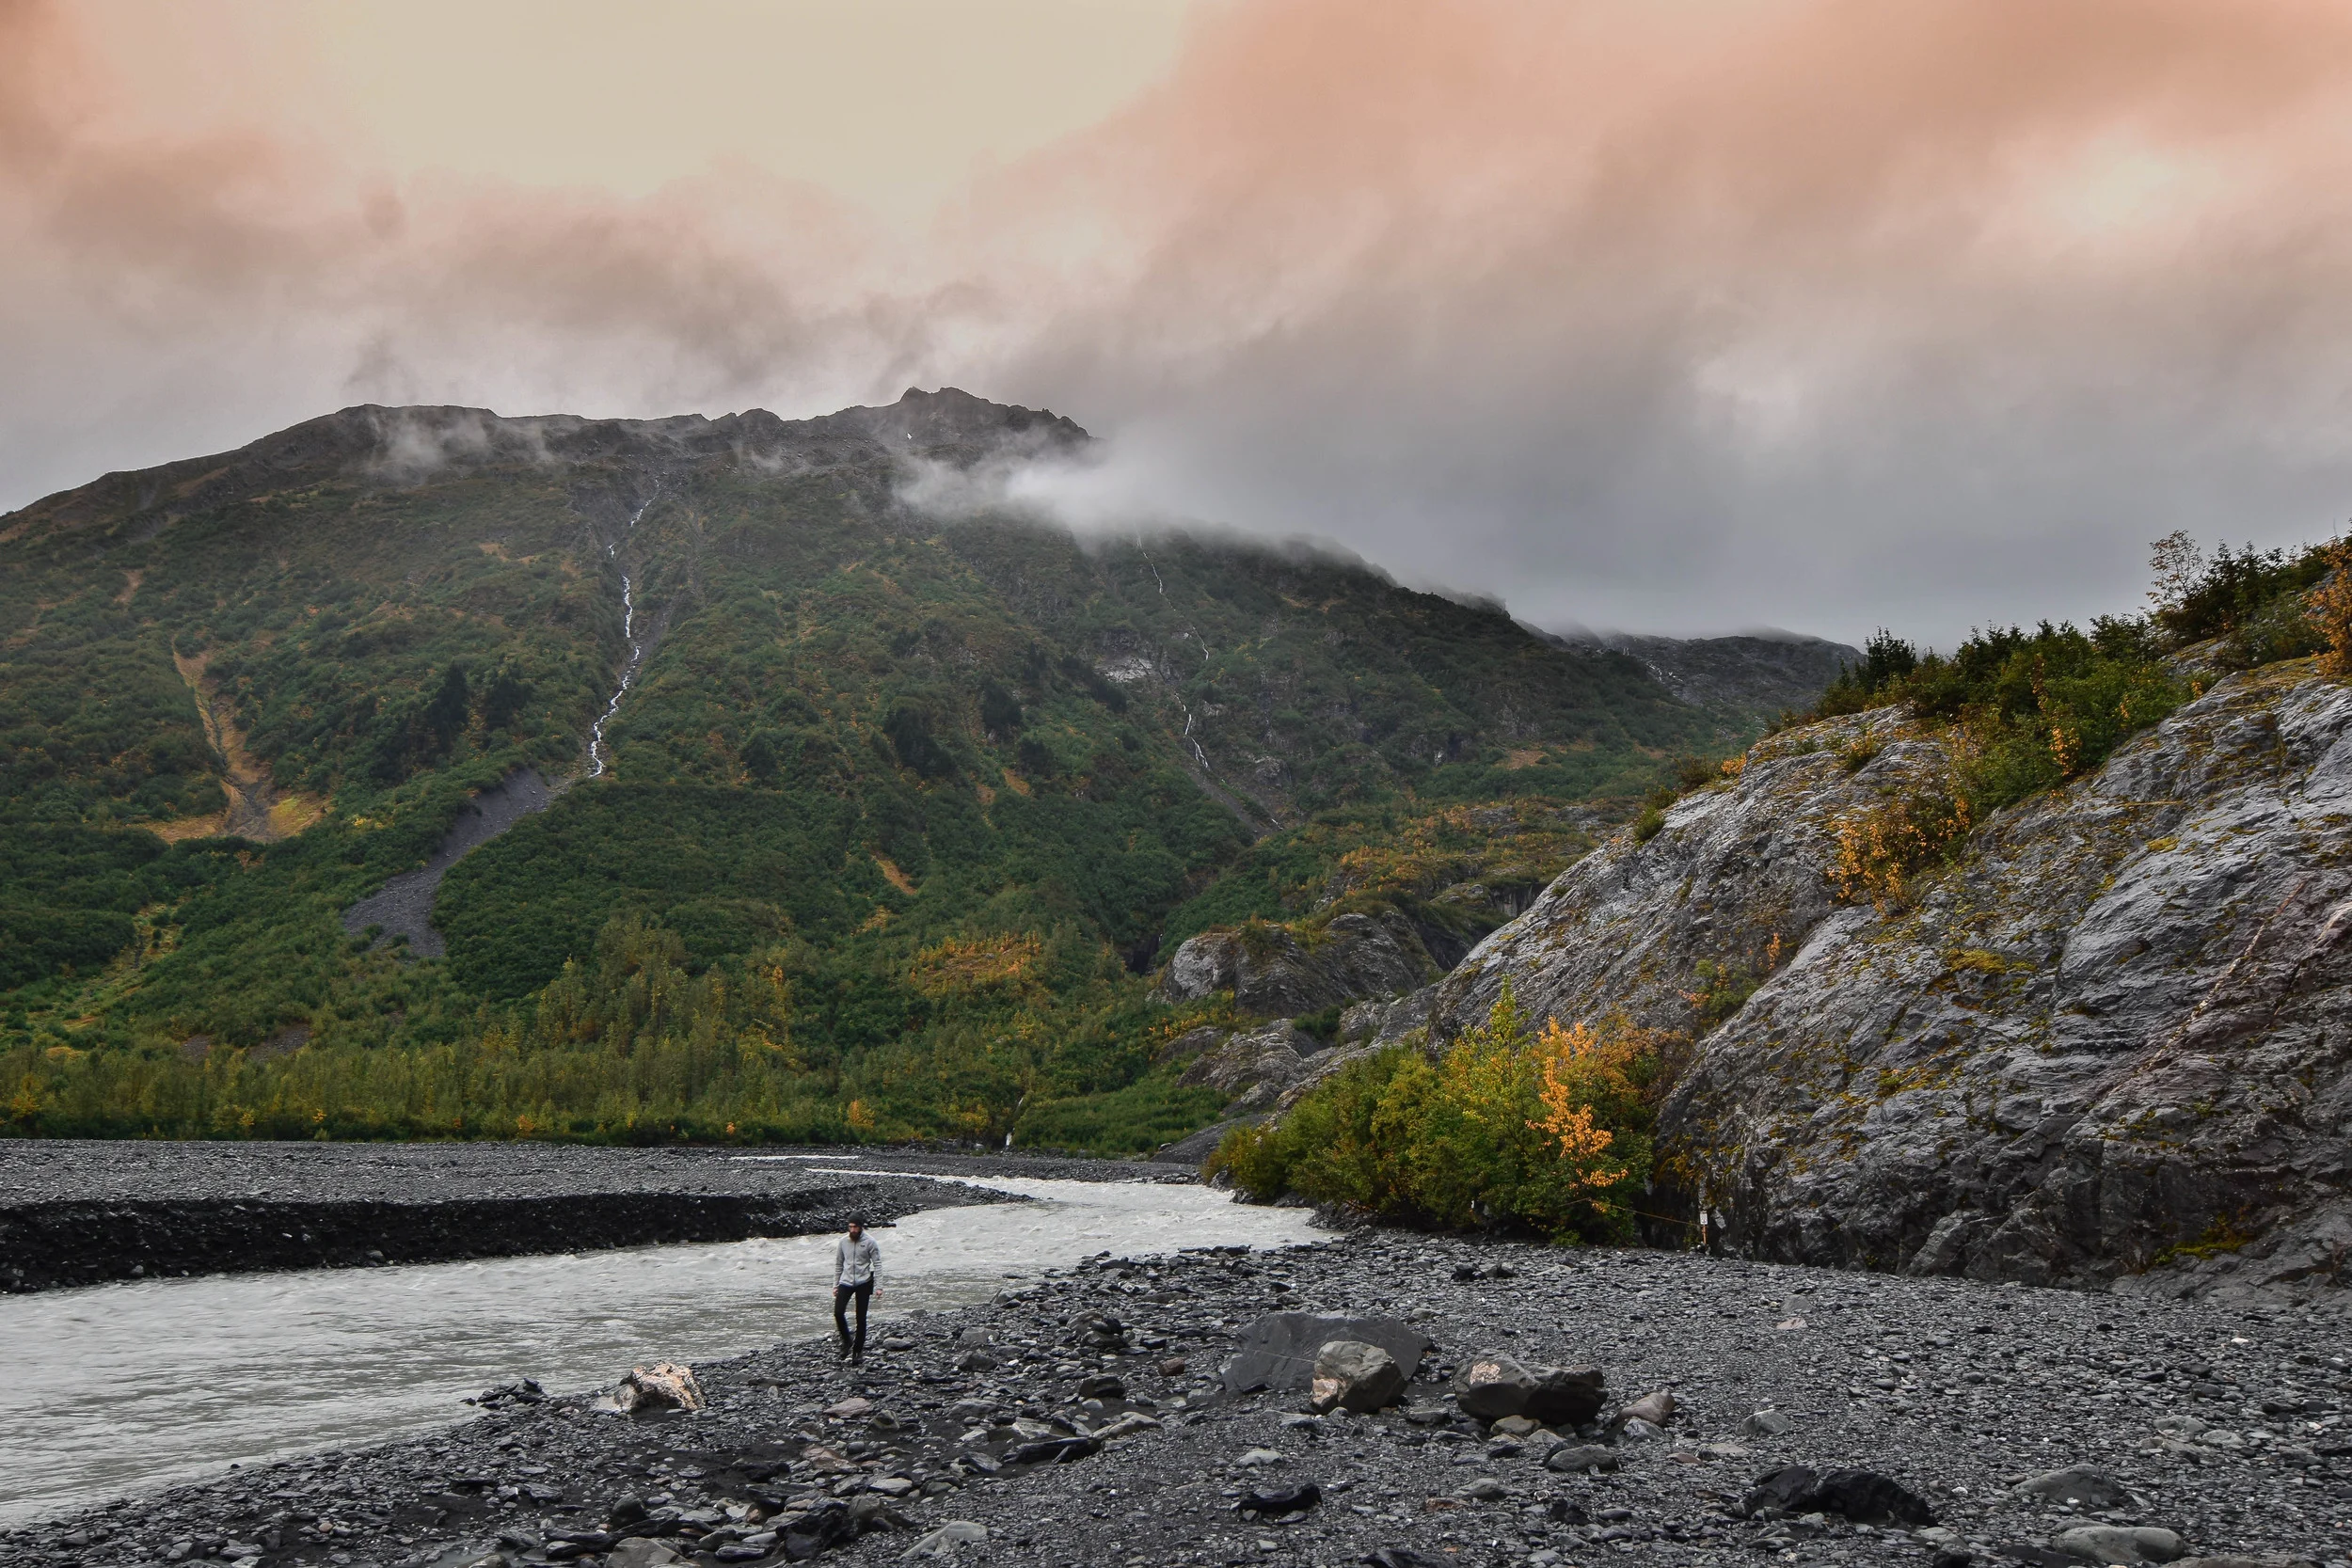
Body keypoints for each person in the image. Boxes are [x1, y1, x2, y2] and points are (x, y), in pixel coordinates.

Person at [834, 1220, 881, 1363]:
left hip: (864, 1282)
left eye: (855, 1227)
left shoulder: (870, 1242)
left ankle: (857, 1351)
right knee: (838, 1312)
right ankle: (847, 1341)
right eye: (850, 1227)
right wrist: (835, 1284)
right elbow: (839, 1263)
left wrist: (879, 1287)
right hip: (845, 1281)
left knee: (861, 1318)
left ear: (861, 1227)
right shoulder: (843, 1242)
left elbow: (877, 1264)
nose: (852, 1230)